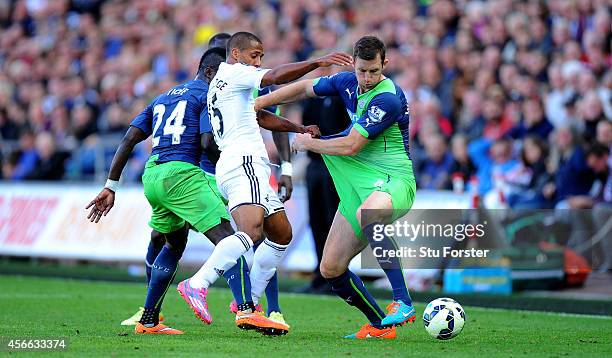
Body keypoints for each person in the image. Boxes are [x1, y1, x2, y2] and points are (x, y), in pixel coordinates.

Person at [85, 47, 294, 336]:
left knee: (173, 245)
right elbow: (208, 143)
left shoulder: (163, 97)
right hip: (183, 174)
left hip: (154, 173)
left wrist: (111, 185)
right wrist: (233, 165)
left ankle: (148, 320)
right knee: (231, 238)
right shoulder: (206, 96)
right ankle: (247, 310)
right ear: (210, 72)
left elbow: (130, 137)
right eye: (220, 76)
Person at [176, 32, 351, 330]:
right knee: (250, 232)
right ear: (235, 54)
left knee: (281, 233)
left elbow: (260, 117)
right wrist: (318, 62)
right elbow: (276, 76)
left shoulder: (228, 83)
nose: (258, 61)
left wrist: (298, 127)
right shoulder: (237, 74)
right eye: (253, 55)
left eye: (261, 57)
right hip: (243, 162)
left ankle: (250, 301)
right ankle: (197, 283)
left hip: (246, 163)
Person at [255, 36, 417, 339]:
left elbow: (353, 145)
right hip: (358, 187)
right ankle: (380, 325)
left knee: (370, 213)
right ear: (353, 65)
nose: (367, 78)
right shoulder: (345, 82)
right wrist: (261, 102)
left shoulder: (388, 98)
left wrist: (309, 143)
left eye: (373, 71)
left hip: (395, 181)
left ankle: (403, 300)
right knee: (331, 268)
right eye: (362, 71)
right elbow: (305, 88)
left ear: (385, 64)